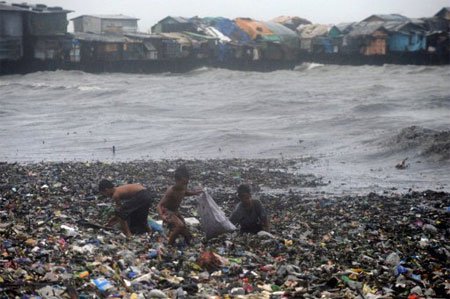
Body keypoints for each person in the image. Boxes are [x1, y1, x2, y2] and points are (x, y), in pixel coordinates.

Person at [157, 165, 202, 246]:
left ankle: (188, 242)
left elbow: (185, 192)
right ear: (177, 181)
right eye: (183, 182)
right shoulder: (171, 191)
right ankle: (169, 245)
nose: (185, 184)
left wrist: (195, 193)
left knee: (184, 228)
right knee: (180, 226)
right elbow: (159, 205)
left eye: (186, 182)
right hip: (168, 211)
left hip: (175, 211)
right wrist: (162, 216)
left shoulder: (183, 186)